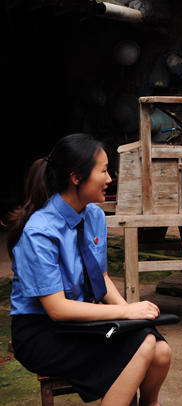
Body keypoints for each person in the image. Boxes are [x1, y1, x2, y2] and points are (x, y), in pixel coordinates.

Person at [6, 134, 171, 406]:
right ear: (76, 177)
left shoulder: (94, 215)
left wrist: (134, 316)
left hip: (82, 322)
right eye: (104, 170)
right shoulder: (40, 232)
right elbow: (58, 309)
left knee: (161, 351)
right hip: (43, 332)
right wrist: (126, 312)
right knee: (143, 345)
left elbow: (101, 277)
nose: (110, 178)